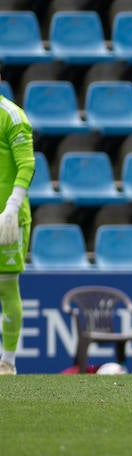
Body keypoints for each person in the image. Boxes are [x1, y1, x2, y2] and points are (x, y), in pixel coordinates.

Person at [0, 88, 33, 376]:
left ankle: (7, 363)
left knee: (6, 285)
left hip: (7, 220)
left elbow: (27, 164)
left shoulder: (12, 115)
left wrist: (12, 206)